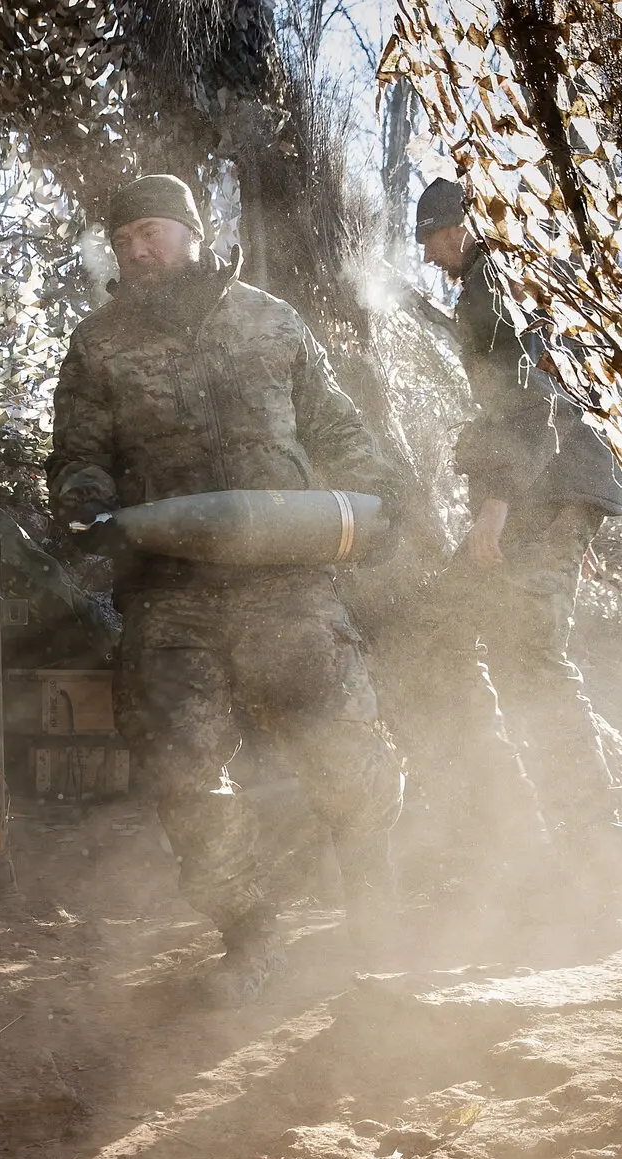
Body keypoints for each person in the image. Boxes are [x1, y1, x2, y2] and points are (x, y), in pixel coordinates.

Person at [49, 174, 412, 1004]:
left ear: (193, 232)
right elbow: (77, 456)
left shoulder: (271, 320)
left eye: (152, 231)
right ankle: (250, 938)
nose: (137, 249)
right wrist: (87, 508)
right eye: (124, 239)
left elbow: (335, 426)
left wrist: (381, 498)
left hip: (289, 583)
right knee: (185, 773)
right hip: (171, 594)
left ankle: (376, 914)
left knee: (346, 752)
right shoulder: (98, 346)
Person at [405, 177, 622, 900]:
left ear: (463, 227)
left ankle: (602, 866)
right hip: (557, 494)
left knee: (529, 664)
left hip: (541, 494)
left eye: (433, 238)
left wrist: (498, 504)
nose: (429, 256)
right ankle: (521, 836)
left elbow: (531, 401)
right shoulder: (514, 277)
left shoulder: (491, 286)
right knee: (451, 629)